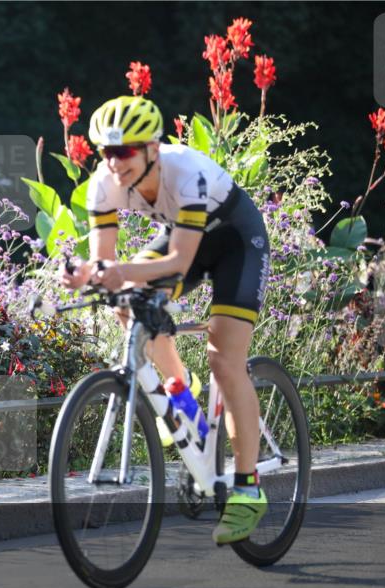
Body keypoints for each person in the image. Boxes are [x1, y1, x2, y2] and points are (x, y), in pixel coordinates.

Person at [60, 95, 271, 544]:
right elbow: (106, 265)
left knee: (225, 361)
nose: (114, 163)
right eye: (106, 152)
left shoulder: (185, 172)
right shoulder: (104, 183)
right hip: (183, 237)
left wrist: (118, 272)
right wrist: (85, 275)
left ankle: (248, 490)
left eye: (124, 151)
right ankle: (182, 395)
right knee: (124, 299)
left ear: (151, 149)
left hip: (235, 240)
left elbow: (178, 261)